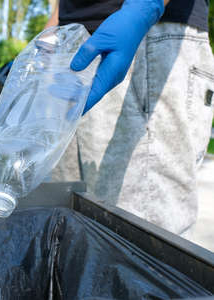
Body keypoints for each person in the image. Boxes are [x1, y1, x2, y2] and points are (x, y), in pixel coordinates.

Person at [48, 0, 213, 237]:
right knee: (71, 233)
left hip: (147, 36)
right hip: (74, 46)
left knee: (141, 240)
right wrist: (49, 39)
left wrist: (144, 9)